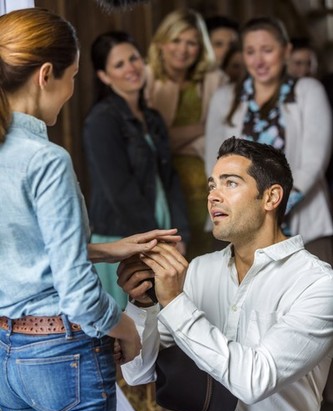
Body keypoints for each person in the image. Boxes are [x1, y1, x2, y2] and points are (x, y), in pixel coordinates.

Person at [0, 8, 179, 411]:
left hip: (9, 358)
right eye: (74, 76)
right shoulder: (46, 160)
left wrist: (109, 249)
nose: (74, 89)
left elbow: (22, 249)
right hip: (63, 355)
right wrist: (126, 330)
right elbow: (79, 297)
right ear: (45, 75)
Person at [107, 136, 333, 411]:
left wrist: (175, 301)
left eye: (230, 183)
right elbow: (139, 372)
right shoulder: (199, 270)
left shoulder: (317, 283)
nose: (213, 195)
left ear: (271, 198)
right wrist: (145, 303)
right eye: (212, 185)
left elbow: (255, 380)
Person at [205, 16, 333, 264]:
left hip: (304, 223)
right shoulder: (224, 98)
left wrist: (274, 206)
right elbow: (213, 163)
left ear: (286, 51)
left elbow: (314, 161)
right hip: (238, 221)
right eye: (251, 51)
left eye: (267, 50)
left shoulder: (308, 90)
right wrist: (242, 210)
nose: (259, 60)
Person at [83, 31, 189, 310]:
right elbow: (120, 191)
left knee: (158, 325)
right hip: (122, 237)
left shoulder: (152, 118)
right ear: (104, 76)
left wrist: (179, 235)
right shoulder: (101, 121)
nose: (130, 67)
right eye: (119, 64)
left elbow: (170, 180)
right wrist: (154, 242)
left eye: (133, 58)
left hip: (159, 229)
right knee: (127, 327)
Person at [145, 8, 228, 260]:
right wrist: (201, 128)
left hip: (207, 183)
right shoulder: (145, 77)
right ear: (161, 43)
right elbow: (150, 142)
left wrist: (171, 137)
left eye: (191, 42)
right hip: (162, 185)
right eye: (176, 40)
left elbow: (223, 136)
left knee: (211, 259)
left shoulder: (216, 79)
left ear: (201, 47)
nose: (183, 49)